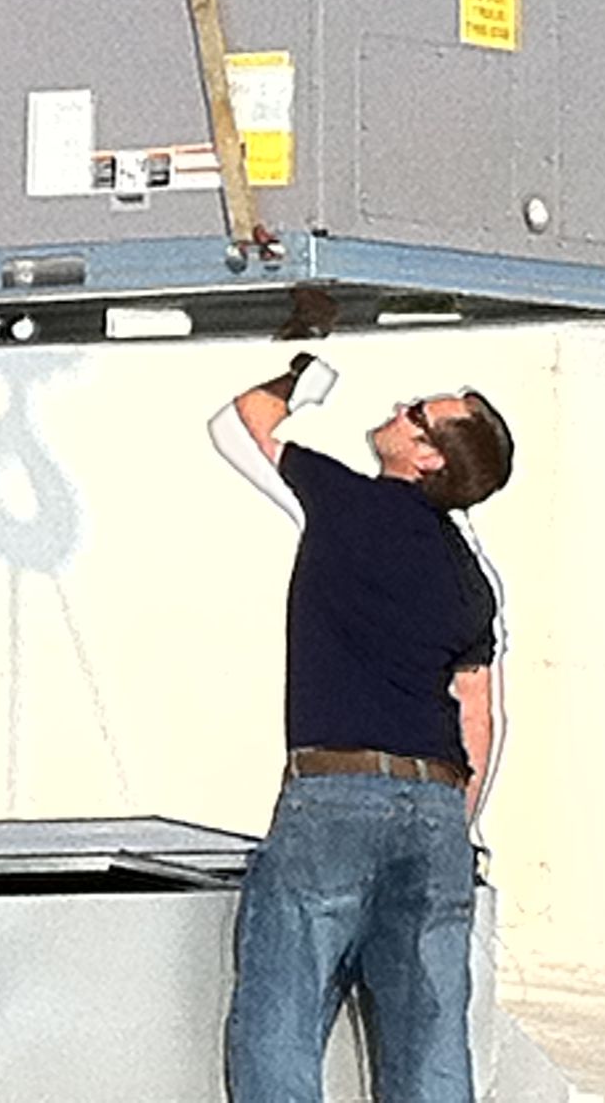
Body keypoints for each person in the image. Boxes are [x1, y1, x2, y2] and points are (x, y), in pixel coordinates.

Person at [208, 352, 513, 1103]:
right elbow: (481, 714)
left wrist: (299, 372)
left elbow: (235, 422)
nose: (402, 405)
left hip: (335, 792)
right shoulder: (475, 575)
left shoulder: (341, 499)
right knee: (433, 1039)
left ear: (426, 457)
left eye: (418, 413)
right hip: (440, 804)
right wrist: (453, 825)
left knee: (283, 1016)